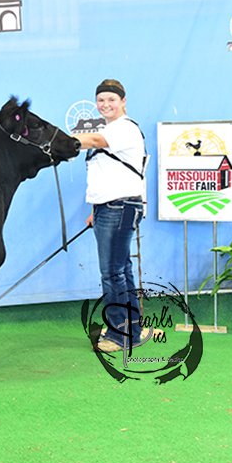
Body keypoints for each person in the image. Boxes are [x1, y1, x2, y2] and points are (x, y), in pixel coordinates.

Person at [74, 79, 151, 353]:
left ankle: (119, 335)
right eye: (101, 100)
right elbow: (106, 173)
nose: (105, 104)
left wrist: (62, 141)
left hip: (119, 208)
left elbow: (95, 140)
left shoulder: (124, 129)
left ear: (123, 102)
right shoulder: (111, 128)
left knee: (112, 273)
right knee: (121, 270)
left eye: (111, 99)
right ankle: (132, 328)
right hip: (110, 208)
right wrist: (95, 210)